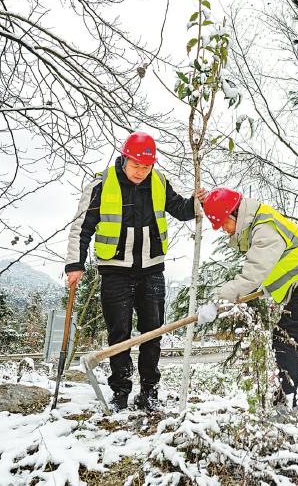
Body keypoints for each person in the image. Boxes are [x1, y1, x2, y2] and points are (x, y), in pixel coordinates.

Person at [65, 131, 207, 411]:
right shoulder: (101, 184)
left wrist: (196, 202)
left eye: (147, 166)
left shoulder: (159, 181)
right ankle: (120, 391)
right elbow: (81, 227)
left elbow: (179, 209)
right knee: (119, 334)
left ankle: (150, 391)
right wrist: (75, 264)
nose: (141, 172)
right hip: (114, 270)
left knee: (152, 332)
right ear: (124, 158)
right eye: (136, 166)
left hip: (151, 269)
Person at [201, 188, 298, 407]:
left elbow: (252, 275)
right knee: (283, 340)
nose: (225, 230)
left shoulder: (264, 229)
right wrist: (267, 287)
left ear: (236, 214)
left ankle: (284, 405)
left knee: (284, 341)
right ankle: (282, 401)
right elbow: (279, 264)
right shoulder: (258, 223)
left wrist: (216, 303)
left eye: (225, 223)